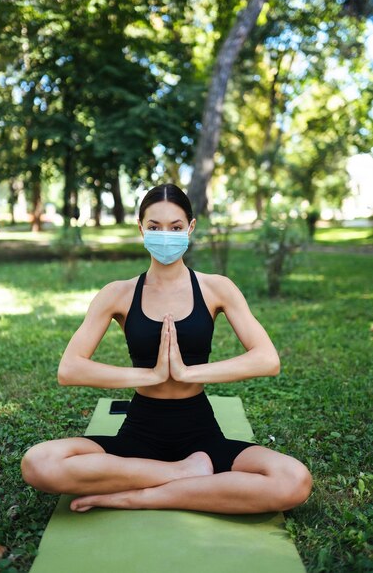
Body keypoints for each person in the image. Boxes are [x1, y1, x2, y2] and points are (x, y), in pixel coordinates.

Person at [21, 183, 312, 514]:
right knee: (38, 463)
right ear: (141, 229)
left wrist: (187, 372)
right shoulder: (117, 293)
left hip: (200, 433)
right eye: (155, 226)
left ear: (190, 227)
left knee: (293, 479)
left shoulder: (217, 288)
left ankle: (140, 496)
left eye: (175, 227)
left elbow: (267, 359)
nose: (166, 235)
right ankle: (182, 475)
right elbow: (69, 369)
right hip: (140, 431)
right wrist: (151, 375)